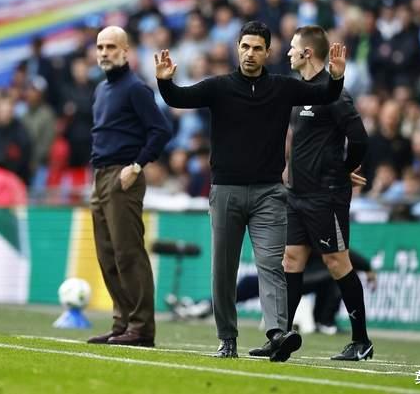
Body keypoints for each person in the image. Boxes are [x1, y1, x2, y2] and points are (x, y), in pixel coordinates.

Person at [155, 20, 347, 361]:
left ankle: (277, 333)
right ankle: (227, 338)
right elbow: (179, 98)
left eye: (257, 48)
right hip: (225, 191)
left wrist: (335, 77)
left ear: (267, 53)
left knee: (272, 265)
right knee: (223, 270)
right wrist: (165, 81)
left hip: (269, 193)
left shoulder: (282, 88)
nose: (250, 53)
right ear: (237, 48)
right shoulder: (219, 87)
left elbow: (325, 95)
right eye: (245, 46)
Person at [252, 25, 373, 361]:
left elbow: (360, 139)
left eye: (293, 47)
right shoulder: (301, 92)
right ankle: (280, 336)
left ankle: (361, 340)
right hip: (297, 195)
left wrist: (344, 170)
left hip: (326, 196)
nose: (288, 52)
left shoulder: (334, 93)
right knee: (291, 260)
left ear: (307, 53)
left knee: (337, 262)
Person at [86, 26, 172, 347]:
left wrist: (136, 166)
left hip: (124, 176)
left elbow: (161, 130)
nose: (104, 52)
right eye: (100, 47)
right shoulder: (101, 89)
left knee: (128, 253)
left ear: (125, 51)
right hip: (100, 176)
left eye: (111, 47)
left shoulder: (136, 88)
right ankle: (122, 323)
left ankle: (141, 328)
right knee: (107, 255)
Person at [171, 249, 377, 336]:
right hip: (289, 276)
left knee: (336, 277)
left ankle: (325, 321)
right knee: (247, 285)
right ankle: (202, 306)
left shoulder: (320, 235)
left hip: (298, 278)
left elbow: (344, 254)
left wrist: (367, 267)